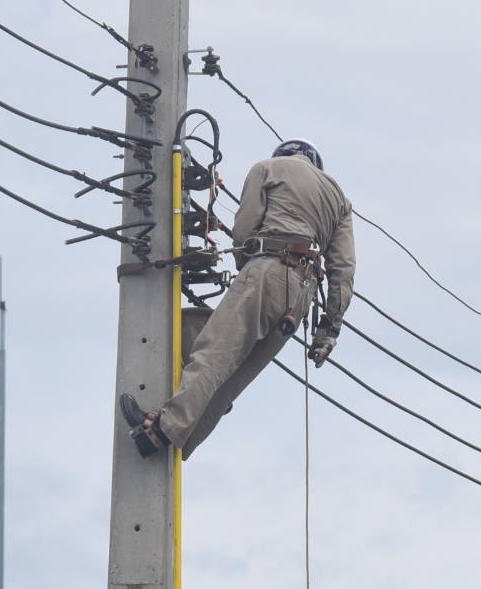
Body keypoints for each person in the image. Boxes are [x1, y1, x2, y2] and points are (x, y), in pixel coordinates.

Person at [119, 138, 355, 460]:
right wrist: (329, 328)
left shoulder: (267, 168)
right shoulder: (339, 199)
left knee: (214, 353)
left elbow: (244, 228)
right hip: (301, 297)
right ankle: (181, 446)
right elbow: (343, 268)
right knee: (234, 378)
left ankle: (160, 430)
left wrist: (248, 268)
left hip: (268, 268)